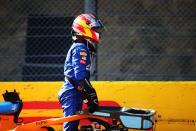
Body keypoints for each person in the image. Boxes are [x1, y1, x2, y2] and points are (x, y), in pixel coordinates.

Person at [58, 14, 104, 131]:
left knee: (76, 124)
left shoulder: (83, 47)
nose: (97, 31)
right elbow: (80, 76)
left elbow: (80, 79)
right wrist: (91, 92)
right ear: (84, 29)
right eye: (94, 29)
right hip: (71, 93)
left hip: (75, 92)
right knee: (70, 127)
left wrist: (87, 97)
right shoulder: (80, 47)